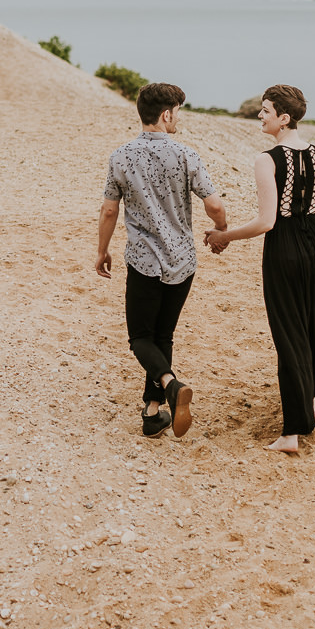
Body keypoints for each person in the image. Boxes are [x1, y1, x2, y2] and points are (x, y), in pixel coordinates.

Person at [203, 84, 315, 453]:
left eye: (266, 110)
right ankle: (310, 400)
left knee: (290, 338)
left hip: (286, 253)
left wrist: (224, 237)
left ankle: (291, 433)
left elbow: (266, 222)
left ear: (283, 118)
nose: (261, 116)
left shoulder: (267, 159)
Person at [97, 82, 228, 439]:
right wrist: (221, 229)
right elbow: (214, 204)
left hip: (143, 260)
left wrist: (102, 250)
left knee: (140, 337)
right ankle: (153, 412)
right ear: (166, 114)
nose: (178, 119)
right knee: (162, 334)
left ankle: (169, 385)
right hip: (182, 260)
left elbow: (110, 210)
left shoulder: (120, 157)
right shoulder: (187, 155)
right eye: (177, 113)